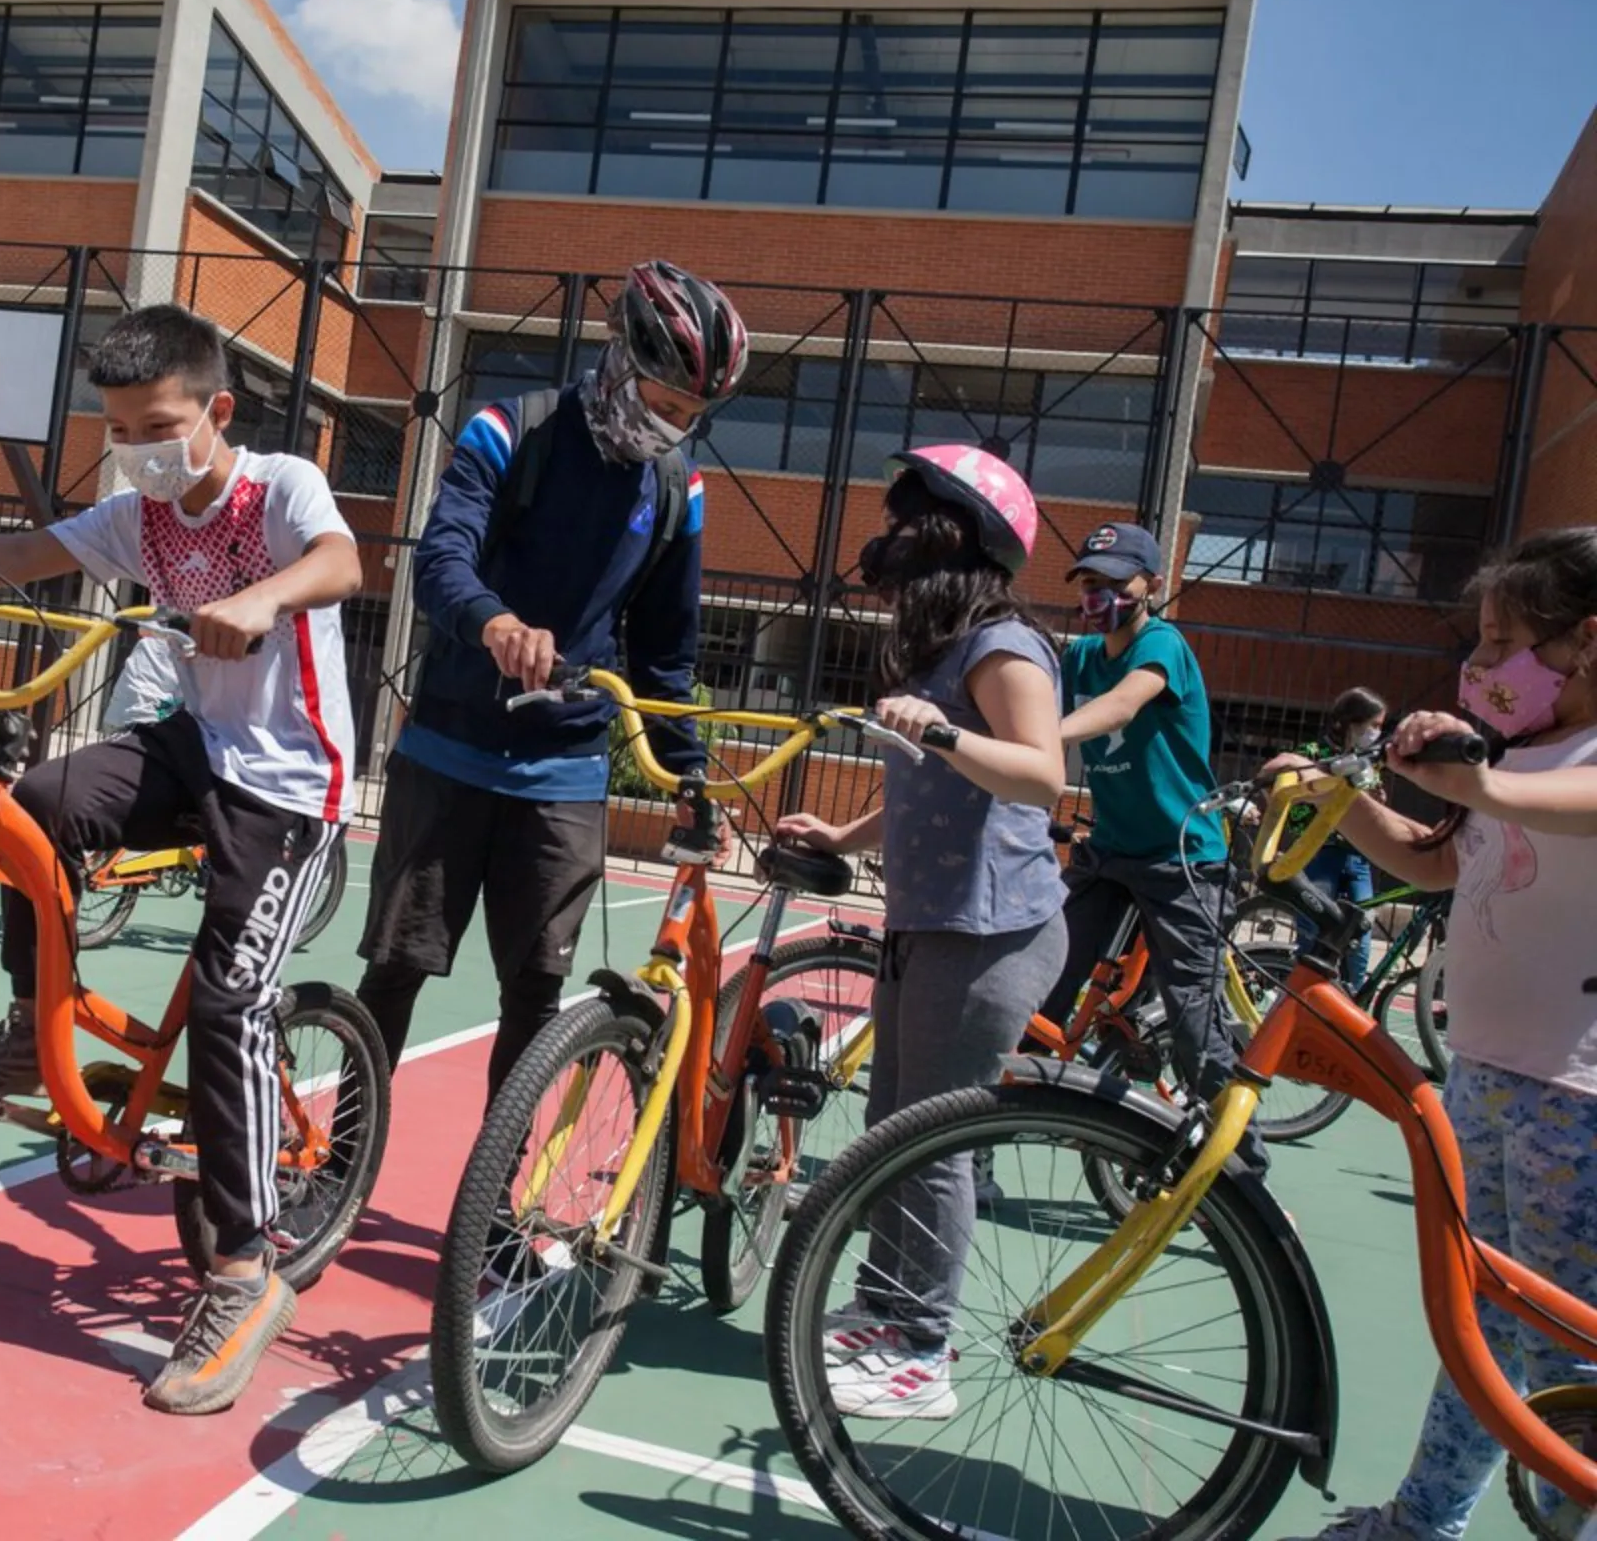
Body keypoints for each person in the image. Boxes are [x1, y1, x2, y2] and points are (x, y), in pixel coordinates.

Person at [0, 303, 360, 1417]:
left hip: (290, 781)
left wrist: (257, 599)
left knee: (229, 1000)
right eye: (120, 430)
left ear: (217, 412)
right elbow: (21, 550)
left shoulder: (280, 486)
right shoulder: (139, 513)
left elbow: (342, 562)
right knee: (40, 806)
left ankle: (245, 1268)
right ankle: (31, 1026)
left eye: (158, 426)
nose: (140, 450)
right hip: (193, 746)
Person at [1269, 529, 1597, 1541]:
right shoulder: (1512, 753)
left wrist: (1479, 783)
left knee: (1560, 1353)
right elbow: (1432, 860)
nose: (1481, 666)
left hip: (1574, 1099)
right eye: (1482, 643)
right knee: (1477, 1325)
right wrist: (1341, 799)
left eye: (1505, 644)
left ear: (1585, 643)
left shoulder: (1564, 764)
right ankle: (1421, 1519)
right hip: (1490, 1080)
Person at [357, 260, 750, 1099]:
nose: (674, 427)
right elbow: (442, 558)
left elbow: (666, 654)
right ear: (620, 361)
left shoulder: (680, 488)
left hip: (565, 770)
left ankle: (496, 1209)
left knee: (536, 994)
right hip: (451, 746)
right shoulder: (511, 430)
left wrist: (688, 774)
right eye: (665, 403)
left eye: (693, 416)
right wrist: (494, 622)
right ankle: (336, 1163)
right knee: (398, 966)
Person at [775, 446, 1068, 1421]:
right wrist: (845, 834)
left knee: (935, 1140)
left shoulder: (1003, 647)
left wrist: (942, 731)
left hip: (988, 933)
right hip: (928, 921)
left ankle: (919, 1349)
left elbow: (1038, 774)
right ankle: (885, 1300)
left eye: (909, 518)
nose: (888, 532)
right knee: (892, 1126)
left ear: (954, 538)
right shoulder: (939, 647)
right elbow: (920, 783)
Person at [1037, 522, 1248, 1121]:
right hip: (1110, 852)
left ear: (1152, 585)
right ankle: (984, 1137)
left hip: (1182, 860)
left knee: (1194, 1018)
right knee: (1043, 979)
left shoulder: (1162, 645)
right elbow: (1030, 692)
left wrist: (1041, 738)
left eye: (1113, 581)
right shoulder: (1078, 657)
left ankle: (1244, 1174)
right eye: (1088, 582)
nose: (1097, 595)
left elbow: (1122, 704)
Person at [1288, 686, 1391, 995]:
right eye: (1371, 725)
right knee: (1314, 928)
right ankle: (1305, 994)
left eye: (1380, 727)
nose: (1375, 734)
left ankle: (1354, 996)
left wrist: (1376, 801)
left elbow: (1373, 809)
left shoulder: (1368, 762)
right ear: (1348, 722)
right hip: (1319, 851)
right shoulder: (1311, 755)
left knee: (1361, 930)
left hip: (1356, 855)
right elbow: (1296, 812)